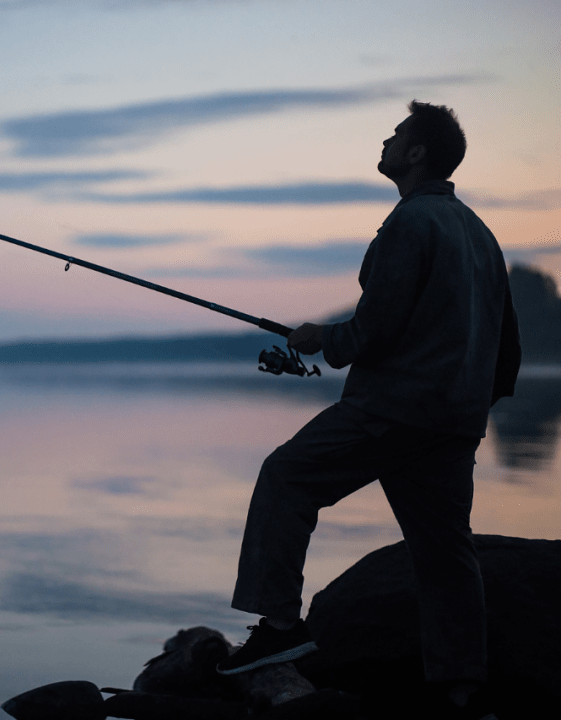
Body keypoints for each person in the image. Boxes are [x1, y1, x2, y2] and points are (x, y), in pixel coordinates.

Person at [213, 101, 521, 720]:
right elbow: (508, 346)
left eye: (397, 134)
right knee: (444, 552)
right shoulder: (480, 233)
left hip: (393, 408)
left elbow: (377, 329)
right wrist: (470, 407)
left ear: (416, 154)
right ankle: (462, 692)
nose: (386, 140)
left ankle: (280, 626)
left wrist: (324, 339)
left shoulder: (411, 223)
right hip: (453, 421)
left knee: (287, 476)